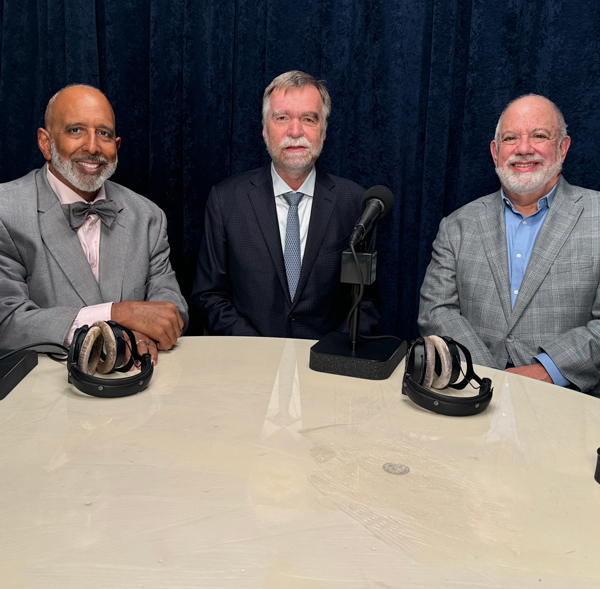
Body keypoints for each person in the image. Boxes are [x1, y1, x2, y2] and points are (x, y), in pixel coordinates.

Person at [418, 93, 600, 392]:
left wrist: (546, 371)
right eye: (511, 138)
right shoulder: (457, 225)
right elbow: (436, 310)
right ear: (495, 151)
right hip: (471, 394)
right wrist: (487, 377)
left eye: (539, 136)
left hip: (567, 402)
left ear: (562, 148)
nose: (524, 149)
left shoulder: (596, 217)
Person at [0, 84, 187, 364]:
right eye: (76, 130)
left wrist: (147, 328)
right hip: (42, 397)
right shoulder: (6, 210)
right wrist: (116, 315)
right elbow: (8, 322)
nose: (92, 147)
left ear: (117, 146)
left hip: (137, 388)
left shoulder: (148, 216)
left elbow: (169, 307)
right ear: (45, 142)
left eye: (104, 134)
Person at [191, 71, 380, 339]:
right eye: (282, 118)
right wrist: (258, 351)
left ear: (323, 132)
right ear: (265, 130)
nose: (295, 131)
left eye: (308, 119)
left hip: (324, 368)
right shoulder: (226, 200)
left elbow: (365, 302)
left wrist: (329, 352)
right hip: (248, 364)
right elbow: (209, 294)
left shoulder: (355, 204)